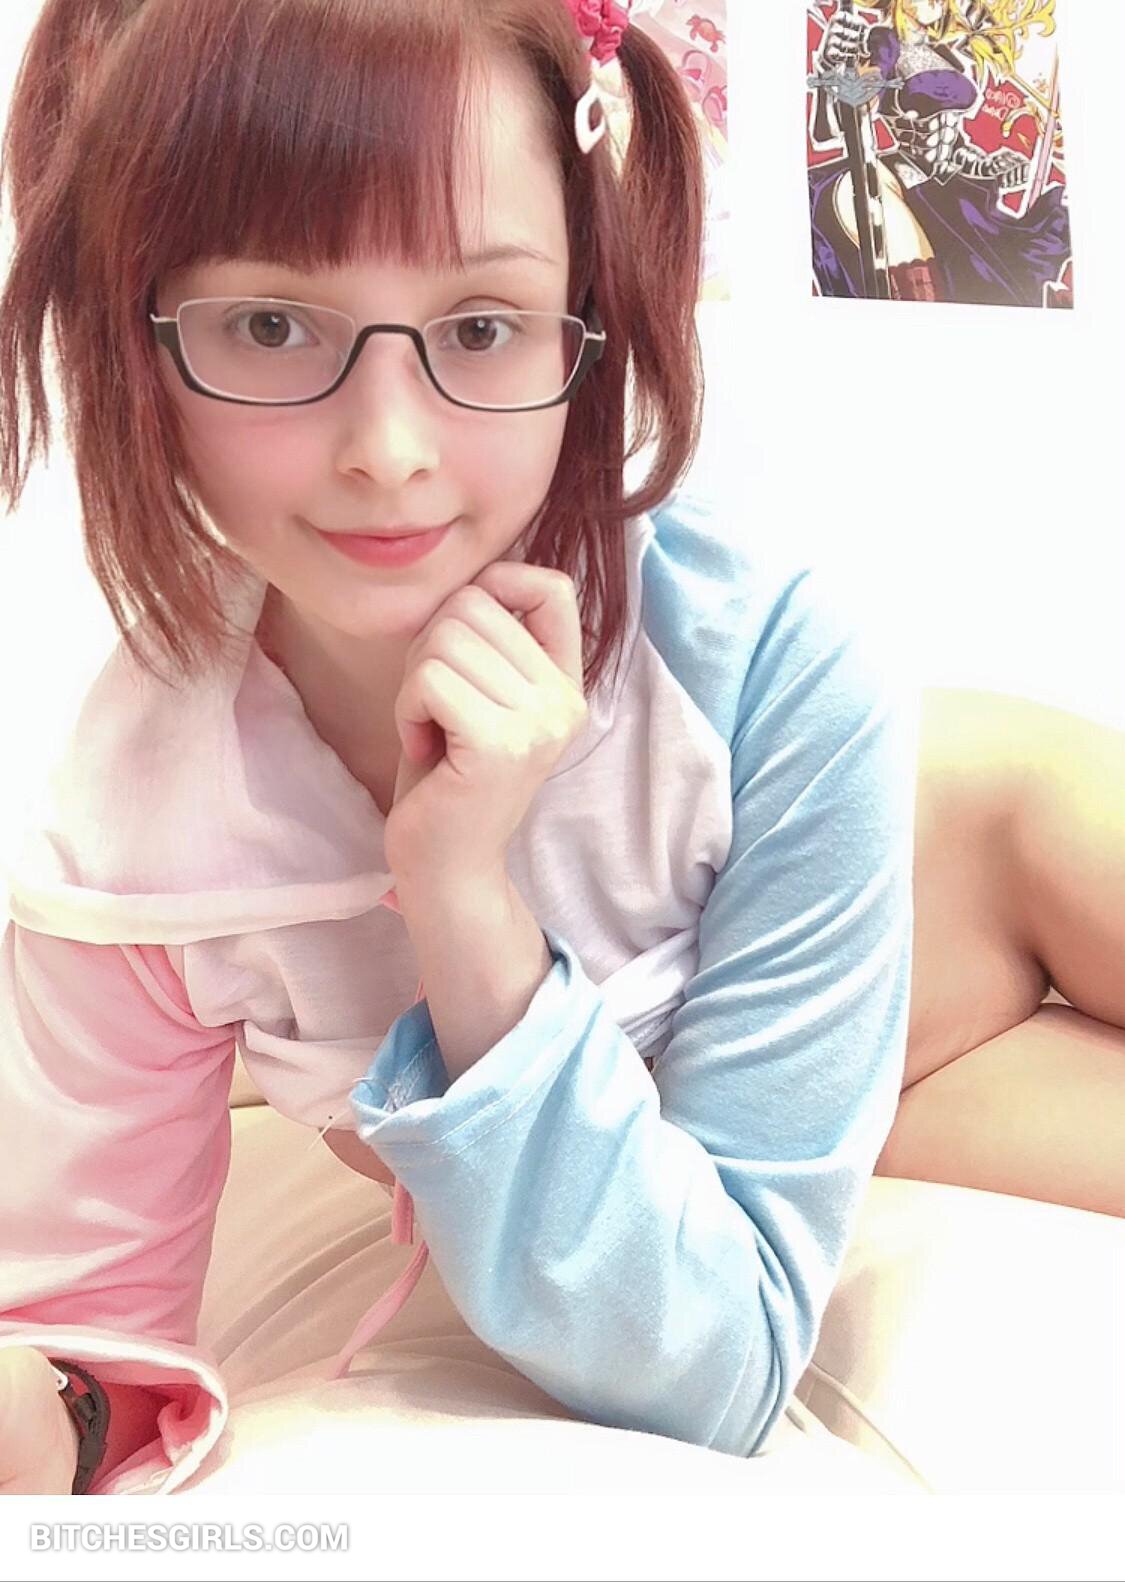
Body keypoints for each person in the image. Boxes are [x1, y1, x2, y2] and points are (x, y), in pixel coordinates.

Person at [0, 0, 919, 1496]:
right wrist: (49, 1417)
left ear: (585, 316)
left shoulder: (776, 680)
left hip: (938, 838)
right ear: (141, 340)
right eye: (270, 325)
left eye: (481, 327)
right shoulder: (128, 827)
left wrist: (471, 913)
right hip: (845, 1026)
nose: (390, 449)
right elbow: (80, 1343)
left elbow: (723, 1366)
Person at [808, 0, 1072, 305]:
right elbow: (845, 118)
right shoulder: (885, 45)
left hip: (950, 191)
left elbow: (954, 145)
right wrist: (833, 70)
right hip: (907, 181)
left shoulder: (946, 53)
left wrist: (988, 167)